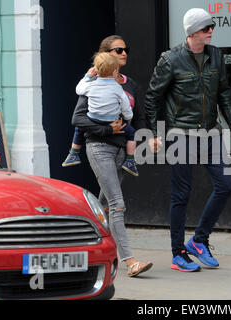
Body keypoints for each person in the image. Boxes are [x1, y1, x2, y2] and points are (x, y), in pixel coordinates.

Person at [144, 8, 231, 272]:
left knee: (225, 185)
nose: (210, 31)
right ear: (192, 32)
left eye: (211, 26)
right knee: (181, 195)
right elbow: (152, 98)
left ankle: (199, 240)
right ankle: (178, 253)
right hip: (181, 135)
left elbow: (223, 92)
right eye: (205, 28)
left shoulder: (216, 55)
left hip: (211, 132)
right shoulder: (171, 59)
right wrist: (155, 132)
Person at [72, 35, 152, 277]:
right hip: (100, 148)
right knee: (118, 204)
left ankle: (85, 253)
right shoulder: (93, 83)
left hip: (122, 150)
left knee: (105, 206)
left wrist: (139, 138)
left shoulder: (130, 85)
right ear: (106, 54)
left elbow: (138, 116)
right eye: (118, 50)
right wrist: (108, 129)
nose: (124, 53)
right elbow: (78, 119)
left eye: (126, 49)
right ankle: (130, 261)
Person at [73, 52, 138, 176]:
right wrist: (128, 118)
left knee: (79, 128)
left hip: (93, 119)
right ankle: (130, 160)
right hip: (112, 121)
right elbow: (126, 109)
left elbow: (78, 89)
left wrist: (87, 76)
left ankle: (74, 152)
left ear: (96, 70)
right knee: (132, 134)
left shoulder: (90, 85)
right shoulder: (118, 89)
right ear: (114, 71)